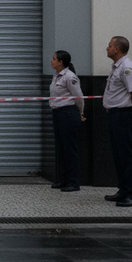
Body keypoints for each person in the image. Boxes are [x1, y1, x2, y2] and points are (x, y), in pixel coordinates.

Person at [103, 36, 132, 207]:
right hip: (115, 115)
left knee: (127, 156)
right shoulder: (117, 67)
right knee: (119, 155)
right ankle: (124, 190)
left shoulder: (127, 68)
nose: (107, 48)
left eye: (110, 45)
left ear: (117, 49)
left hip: (124, 115)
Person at [49, 50, 86, 192]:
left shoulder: (70, 77)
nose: (51, 61)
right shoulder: (56, 76)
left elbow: (79, 97)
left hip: (68, 114)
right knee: (61, 148)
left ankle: (73, 182)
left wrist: (80, 113)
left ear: (61, 62)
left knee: (70, 149)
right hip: (58, 113)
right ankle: (63, 179)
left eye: (54, 59)